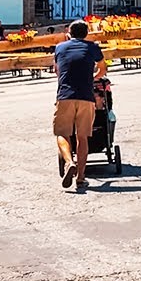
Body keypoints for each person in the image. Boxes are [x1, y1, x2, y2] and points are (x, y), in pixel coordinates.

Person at [52, 20, 105, 189]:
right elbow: (103, 69)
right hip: (86, 95)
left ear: (69, 33)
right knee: (82, 137)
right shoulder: (92, 47)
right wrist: (93, 78)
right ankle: (81, 177)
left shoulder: (60, 48)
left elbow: (57, 71)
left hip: (65, 95)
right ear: (86, 33)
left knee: (61, 133)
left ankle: (69, 162)